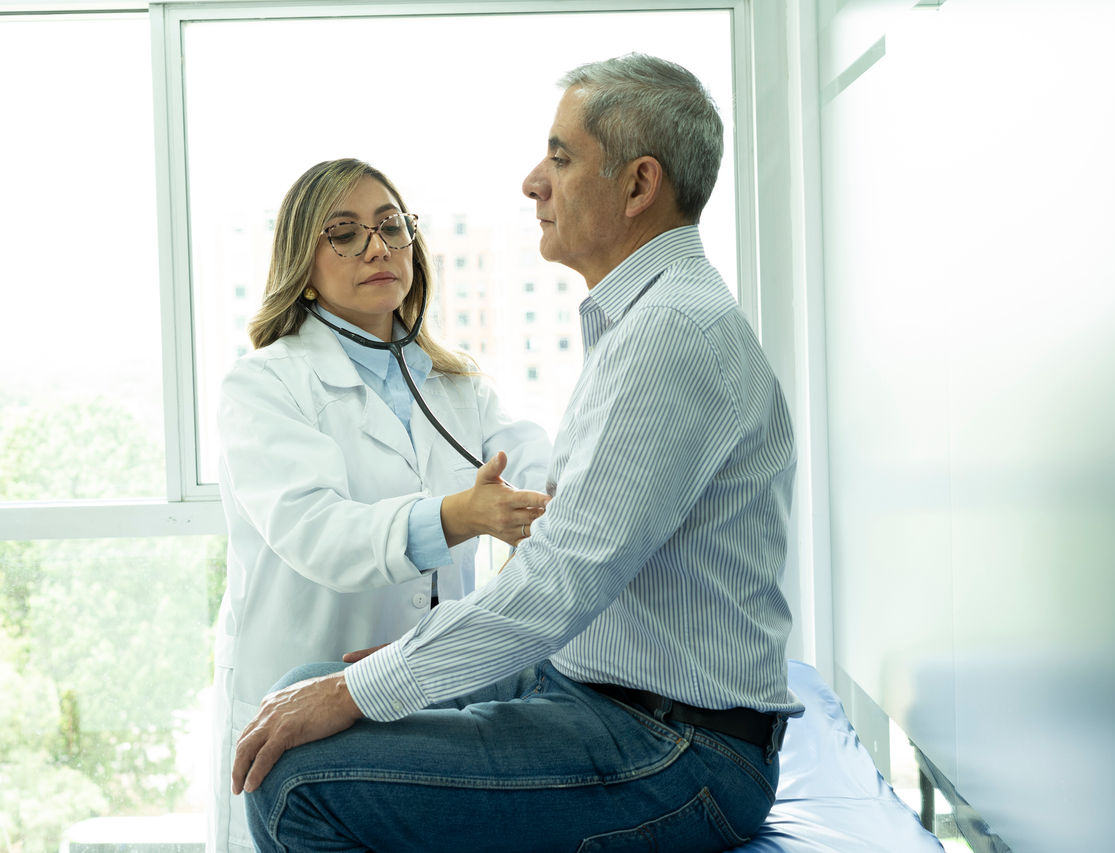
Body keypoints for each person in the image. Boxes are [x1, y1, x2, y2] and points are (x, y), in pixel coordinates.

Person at [231, 55, 801, 852]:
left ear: (637, 187)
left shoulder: (671, 334)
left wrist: (373, 681)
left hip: (677, 744)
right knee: (295, 697)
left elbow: (558, 574)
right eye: (345, 233)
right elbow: (323, 528)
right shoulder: (641, 323)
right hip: (608, 688)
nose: (534, 182)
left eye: (560, 158)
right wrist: (379, 672)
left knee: (295, 783)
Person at [210, 158, 551, 852]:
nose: (377, 246)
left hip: (423, 694)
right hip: (299, 691)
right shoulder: (264, 386)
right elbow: (321, 534)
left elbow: (532, 461)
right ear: (302, 266)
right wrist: (464, 515)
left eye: (391, 226)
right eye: (345, 233)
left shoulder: (459, 387)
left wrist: (539, 505)